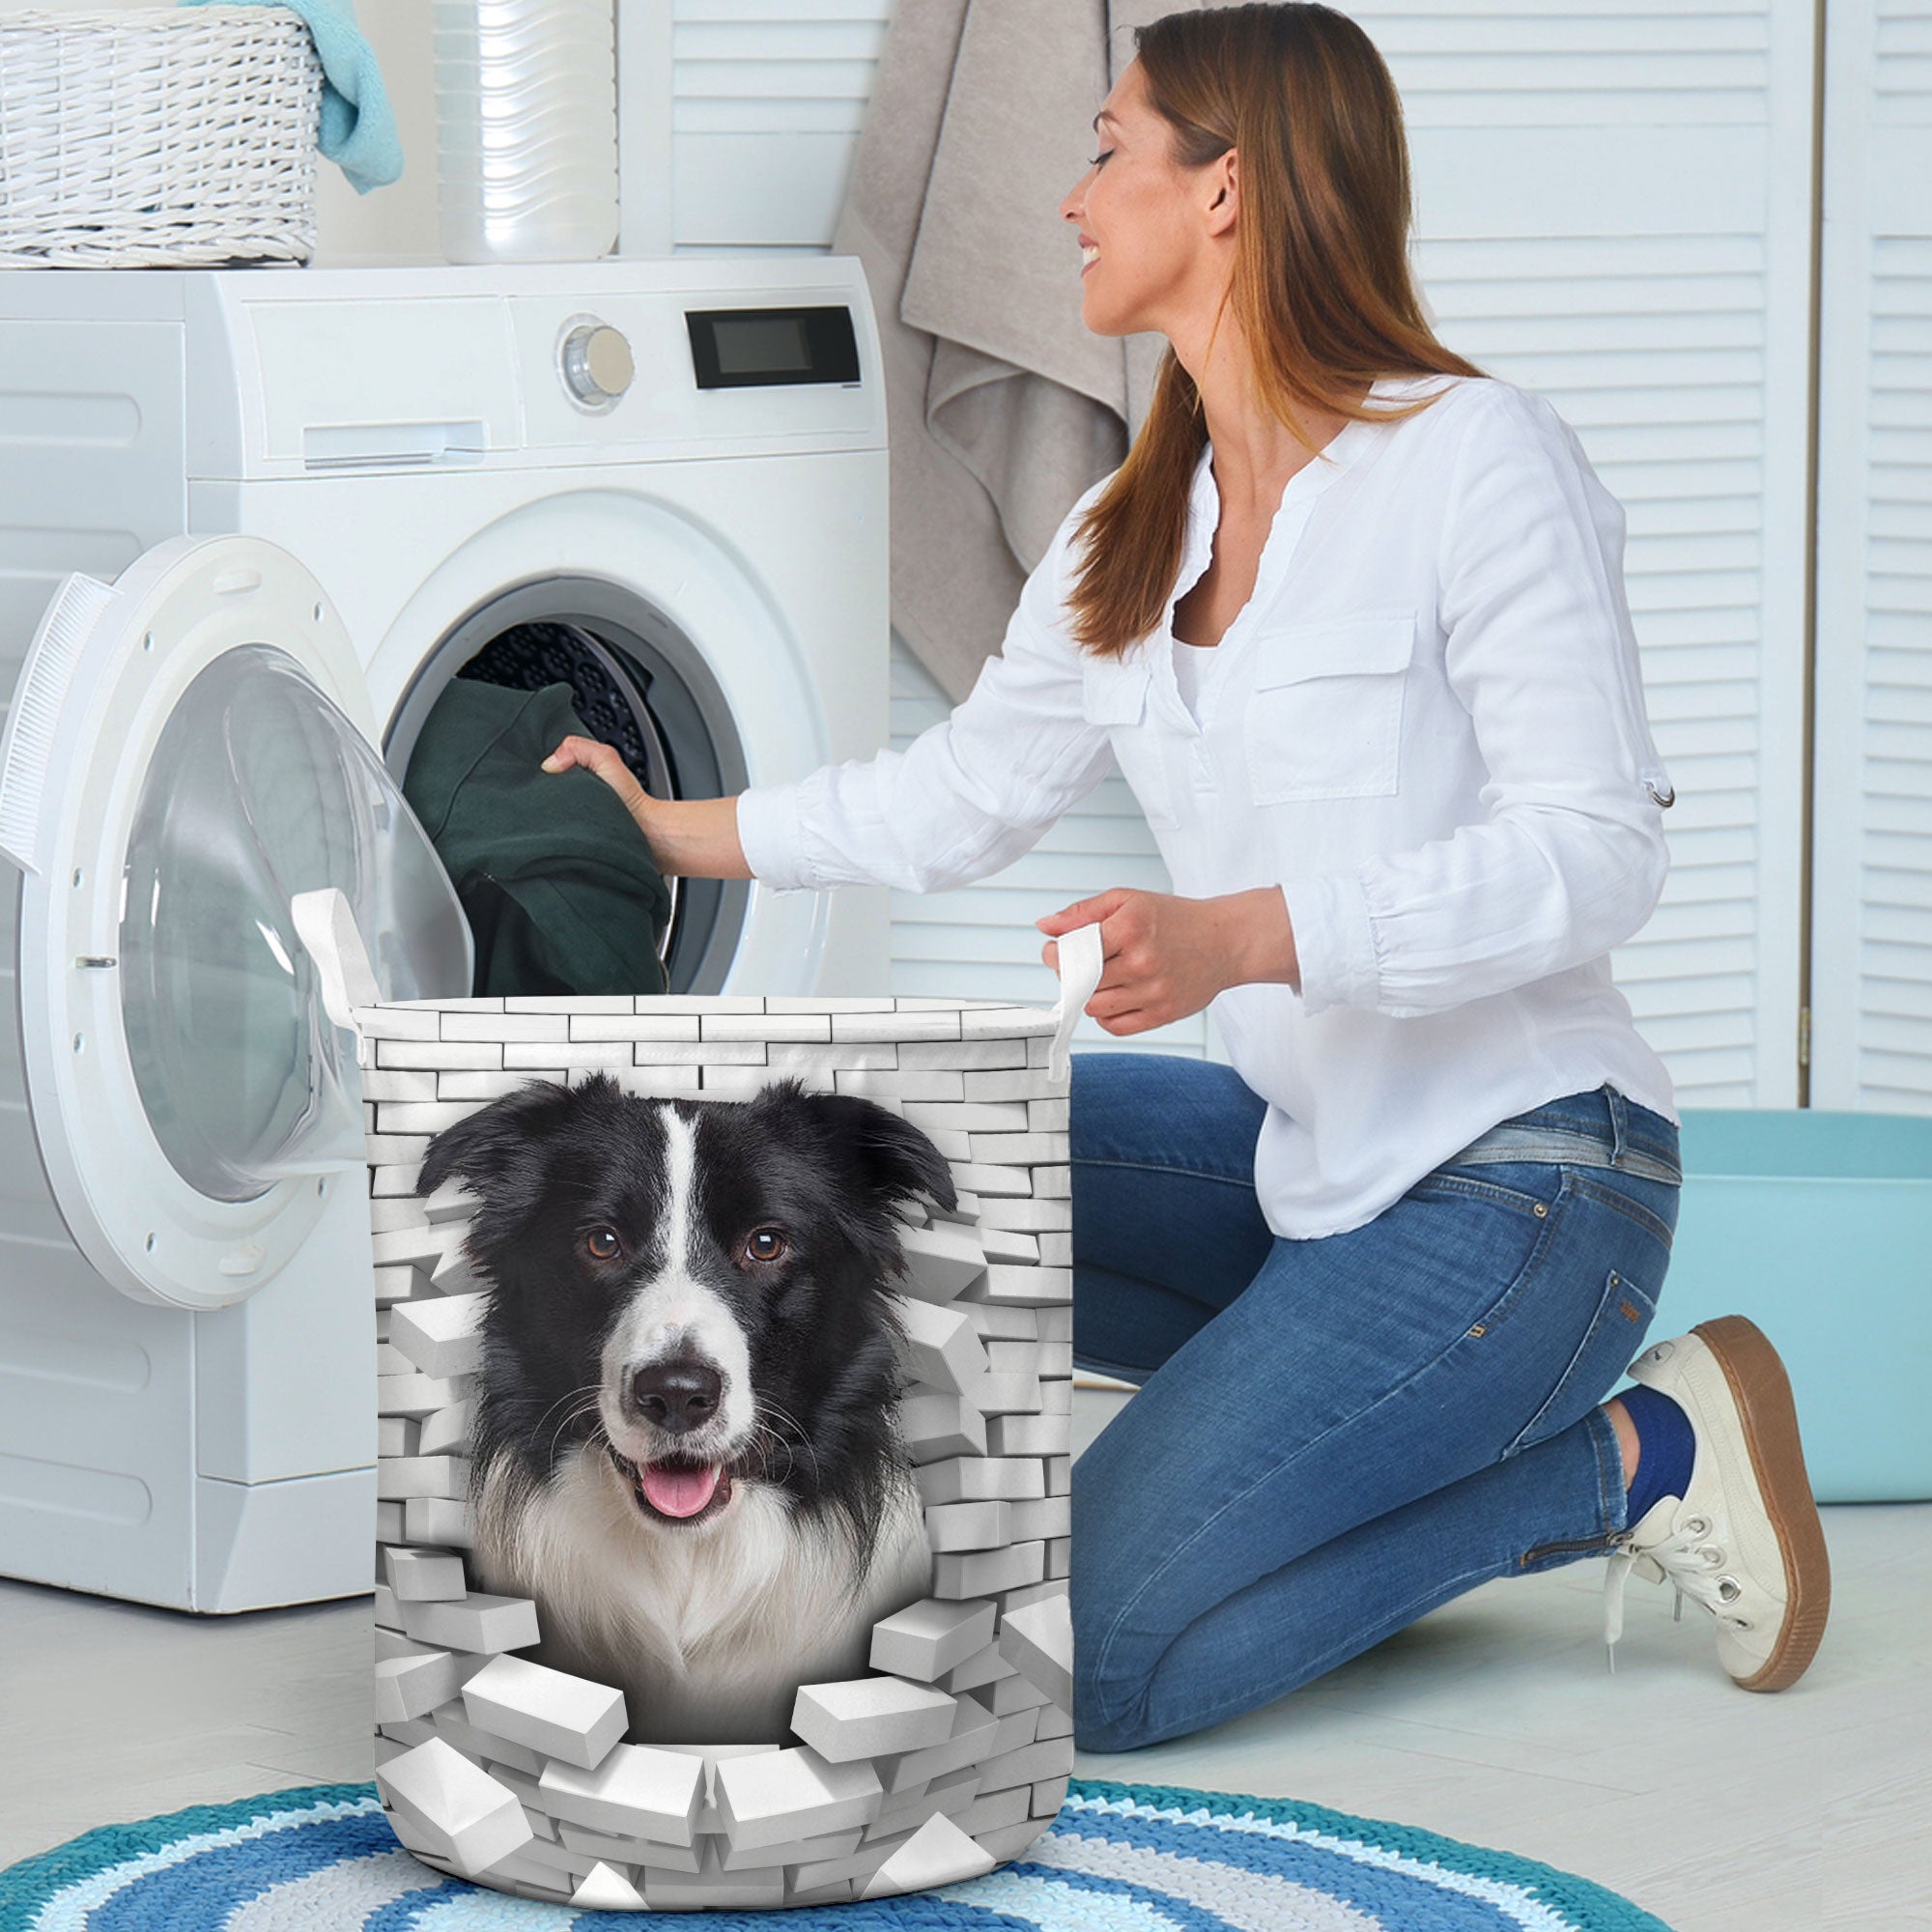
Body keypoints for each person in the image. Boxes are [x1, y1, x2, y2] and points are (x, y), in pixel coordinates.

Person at [540, 0, 1831, 1754]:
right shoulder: (1130, 531)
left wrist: (1247, 938)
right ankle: (1103, 1481)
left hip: (1531, 1182)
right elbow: (961, 796)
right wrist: (678, 826)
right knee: (892, 1168)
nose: (1072, 200)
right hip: (1311, 1166)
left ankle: (1633, 1461)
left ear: (1225, 190)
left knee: (1087, 1659)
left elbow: (1598, 854)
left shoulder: (1474, 458)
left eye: (1107, 152)